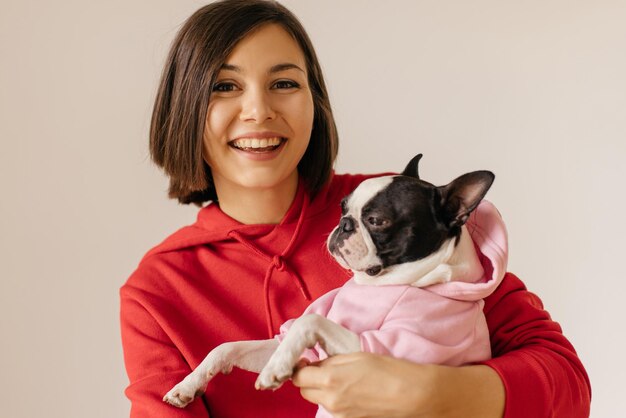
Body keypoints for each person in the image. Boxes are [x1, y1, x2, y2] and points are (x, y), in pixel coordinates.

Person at [119, 1, 591, 417]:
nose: (258, 110)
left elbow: (568, 385)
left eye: (284, 82)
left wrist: (435, 393)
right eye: (224, 86)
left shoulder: (400, 213)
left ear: (315, 102)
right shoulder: (159, 289)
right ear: (182, 108)